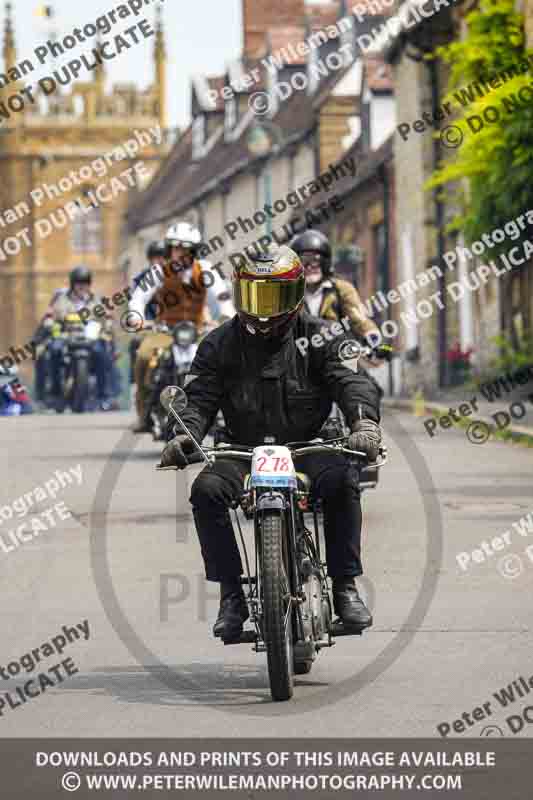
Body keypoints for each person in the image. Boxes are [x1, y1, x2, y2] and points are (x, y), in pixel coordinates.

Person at [159, 244, 383, 641]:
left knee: (343, 483)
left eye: (274, 295)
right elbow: (200, 397)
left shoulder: (322, 336)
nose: (263, 309)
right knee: (206, 490)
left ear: (295, 294)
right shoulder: (217, 344)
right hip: (242, 450)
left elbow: (352, 382)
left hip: (311, 446)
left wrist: (363, 424)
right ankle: (231, 595)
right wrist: (184, 435)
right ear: (239, 294)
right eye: (253, 295)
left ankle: (346, 586)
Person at [128, 222, 234, 433]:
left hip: (198, 330)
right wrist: (136, 316)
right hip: (165, 330)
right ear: (169, 250)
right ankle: (143, 414)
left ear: (194, 251)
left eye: (185, 249)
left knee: (225, 358)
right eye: (176, 248)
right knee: (143, 356)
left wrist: (227, 314)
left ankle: (227, 412)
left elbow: (222, 294)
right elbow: (139, 297)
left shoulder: (205, 269)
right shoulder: (158, 272)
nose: (180, 254)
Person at [35, 266, 114, 411]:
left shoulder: (97, 299)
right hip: (65, 336)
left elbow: (107, 317)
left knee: (102, 354)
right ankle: (54, 394)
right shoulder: (61, 298)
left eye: (85, 283)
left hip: (90, 338)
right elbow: (49, 315)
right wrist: (50, 323)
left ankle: (104, 397)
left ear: (89, 284)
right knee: (54, 351)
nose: (82, 286)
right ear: (72, 284)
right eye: (79, 283)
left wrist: (108, 326)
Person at [290, 229, 380, 345]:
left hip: (334, 353)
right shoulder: (290, 294)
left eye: (316, 261)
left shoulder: (341, 289)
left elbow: (357, 317)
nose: (310, 267)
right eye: (304, 261)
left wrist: (372, 335)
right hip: (299, 354)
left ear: (325, 262)